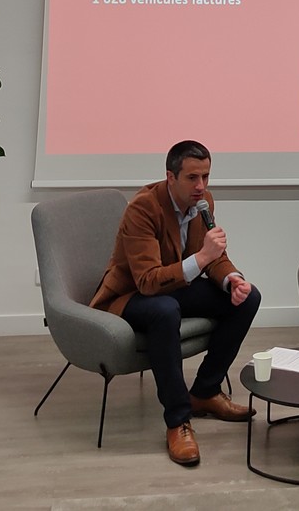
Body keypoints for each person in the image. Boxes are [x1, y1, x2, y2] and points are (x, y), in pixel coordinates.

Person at [90, 140, 261, 466]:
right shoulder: (143, 208)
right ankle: (177, 420)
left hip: (175, 284)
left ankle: (205, 393)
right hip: (131, 295)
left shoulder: (203, 202)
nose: (201, 186)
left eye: (206, 177)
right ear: (170, 177)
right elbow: (148, 281)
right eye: (192, 178)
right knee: (165, 311)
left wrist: (231, 279)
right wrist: (203, 257)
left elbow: (215, 258)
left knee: (247, 297)